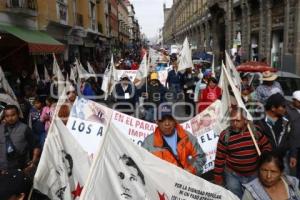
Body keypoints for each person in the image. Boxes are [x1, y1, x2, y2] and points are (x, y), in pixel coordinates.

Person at [214, 108, 272, 198]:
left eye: (237, 120)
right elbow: (219, 158)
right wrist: (218, 177)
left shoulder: (255, 131)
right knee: (235, 197)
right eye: (232, 120)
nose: (234, 124)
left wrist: (264, 157)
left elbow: (267, 146)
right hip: (233, 175)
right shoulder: (225, 135)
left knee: (253, 197)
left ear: (245, 120)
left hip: (254, 174)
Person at [142, 105, 206, 175]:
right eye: (162, 120)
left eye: (170, 119)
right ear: (156, 121)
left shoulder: (188, 137)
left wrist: (190, 170)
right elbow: (142, 164)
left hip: (186, 182)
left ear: (175, 120)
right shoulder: (148, 143)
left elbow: (201, 158)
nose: (167, 123)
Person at [255, 93, 297, 175]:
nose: (286, 109)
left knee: (285, 182)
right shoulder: (259, 122)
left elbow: (291, 137)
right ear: (273, 108)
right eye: (283, 107)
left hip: (282, 158)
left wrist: (293, 155)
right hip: (265, 160)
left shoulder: (286, 120)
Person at [0, 105, 41, 177]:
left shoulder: (25, 128)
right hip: (3, 170)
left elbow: (36, 145)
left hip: (21, 169)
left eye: (13, 115)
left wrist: (33, 162)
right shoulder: (0, 129)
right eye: (7, 116)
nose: (10, 118)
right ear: (4, 117)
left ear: (18, 115)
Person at [287, 90, 300, 179]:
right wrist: (293, 154)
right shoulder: (288, 111)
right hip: (293, 145)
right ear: (294, 100)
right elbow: (293, 133)